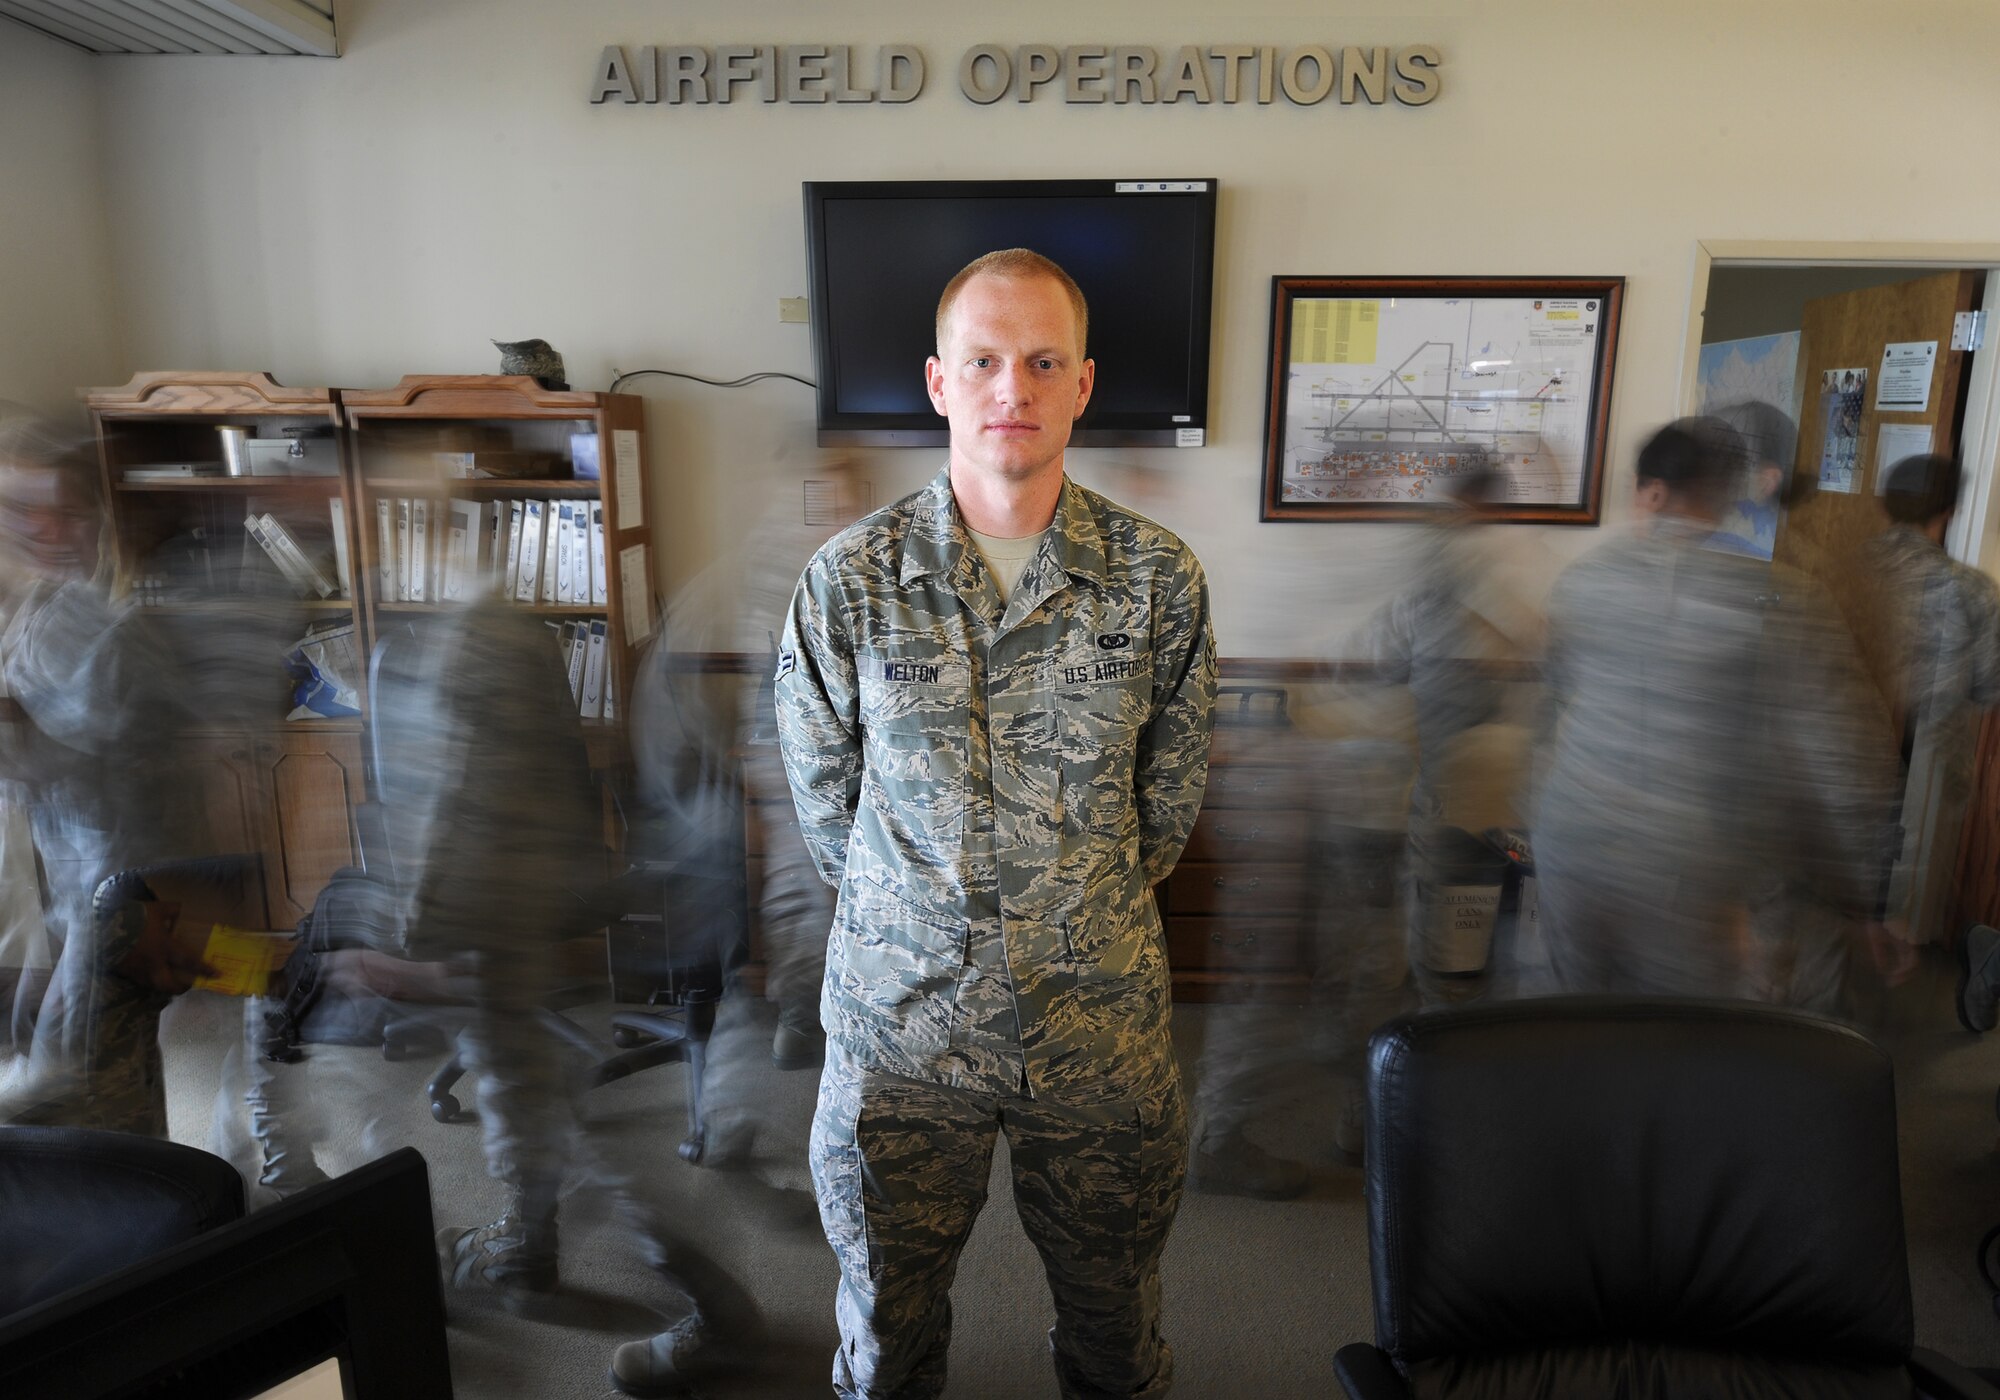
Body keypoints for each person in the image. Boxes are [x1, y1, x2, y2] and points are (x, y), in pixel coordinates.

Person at [775, 248, 1216, 1400]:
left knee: (1115, 1333)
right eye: (981, 360)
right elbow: (830, 812)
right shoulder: (848, 581)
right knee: (887, 1340)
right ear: (937, 382)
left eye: (1040, 360)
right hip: (900, 1034)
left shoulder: (1156, 578)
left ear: (1081, 384)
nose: (1008, 387)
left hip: (1097, 1030)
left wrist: (1065, 909)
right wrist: (929, 915)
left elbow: (1164, 807)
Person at [1534, 418, 1900, 1008]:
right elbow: (1846, 764)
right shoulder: (1779, 598)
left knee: (1582, 1031)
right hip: (1694, 868)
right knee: (1692, 1048)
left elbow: (1552, 705)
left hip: (1570, 843)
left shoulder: (1583, 581)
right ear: (1731, 494)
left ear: (1648, 490)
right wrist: (1860, 898)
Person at [1855, 455, 2000, 1026]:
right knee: (1906, 890)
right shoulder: (1973, 591)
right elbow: (1990, 688)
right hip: (1930, 764)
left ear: (1884, 503)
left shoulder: (1842, 567)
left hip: (1849, 748)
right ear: (1950, 509)